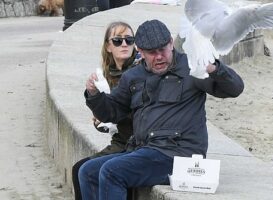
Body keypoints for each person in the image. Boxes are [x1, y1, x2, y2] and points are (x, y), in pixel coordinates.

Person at [80, 19, 244, 200]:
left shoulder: (191, 66)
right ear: (140, 52)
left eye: (163, 50)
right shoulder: (133, 76)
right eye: (151, 52)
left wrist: (214, 68)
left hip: (179, 155)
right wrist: (94, 95)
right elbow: (110, 113)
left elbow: (235, 88)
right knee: (87, 171)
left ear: (171, 43)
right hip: (143, 151)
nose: (159, 57)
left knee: (111, 172)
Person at [72, 21, 138, 200]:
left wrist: (111, 118)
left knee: (88, 171)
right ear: (108, 46)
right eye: (117, 40)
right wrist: (101, 121)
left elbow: (133, 112)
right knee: (79, 168)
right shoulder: (106, 75)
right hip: (121, 139)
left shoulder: (138, 71)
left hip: (134, 142)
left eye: (129, 40)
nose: (124, 44)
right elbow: (110, 115)